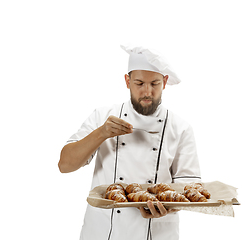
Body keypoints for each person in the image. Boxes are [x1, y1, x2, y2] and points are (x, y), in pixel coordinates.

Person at [58, 45, 201, 240]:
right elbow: (65, 165)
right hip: (103, 232)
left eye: (155, 83)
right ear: (127, 81)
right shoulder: (103, 116)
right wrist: (101, 133)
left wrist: (166, 208)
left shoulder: (181, 128)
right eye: (139, 83)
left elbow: (188, 188)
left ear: (165, 82)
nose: (147, 92)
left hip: (157, 233)